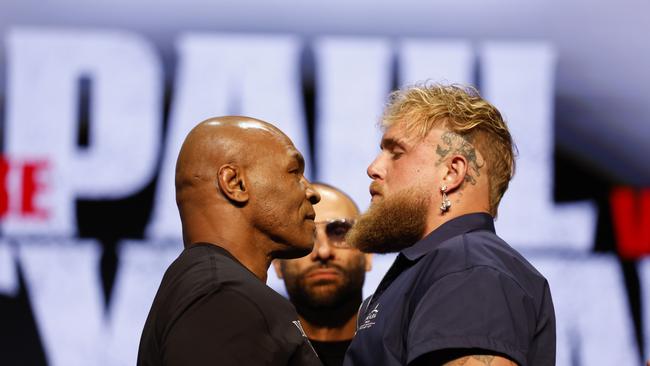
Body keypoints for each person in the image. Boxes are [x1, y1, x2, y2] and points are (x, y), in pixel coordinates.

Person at [343, 83, 556, 366]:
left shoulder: (469, 270)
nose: (374, 167)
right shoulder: (442, 267)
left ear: (451, 173)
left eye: (396, 152)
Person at [137, 116, 323, 366]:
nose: (312, 192)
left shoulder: (210, 289)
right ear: (235, 183)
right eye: (294, 172)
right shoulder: (224, 298)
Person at [273, 183, 372, 366]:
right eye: (304, 235)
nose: (323, 252)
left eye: (339, 232)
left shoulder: (403, 349)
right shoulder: (252, 354)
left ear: (367, 255)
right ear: (277, 264)